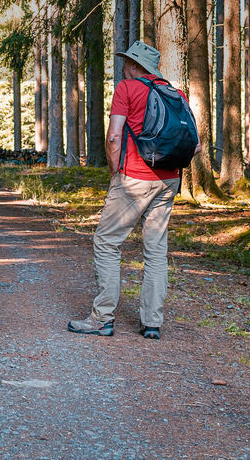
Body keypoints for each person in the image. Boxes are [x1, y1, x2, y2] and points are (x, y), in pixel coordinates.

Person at [67, 41, 198, 339]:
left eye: (126, 62)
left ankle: (102, 318)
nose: (123, 66)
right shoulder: (178, 95)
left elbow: (114, 136)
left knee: (107, 242)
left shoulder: (127, 89)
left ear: (136, 66)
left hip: (133, 178)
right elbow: (196, 145)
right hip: (169, 181)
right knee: (155, 250)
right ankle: (152, 323)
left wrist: (117, 174)